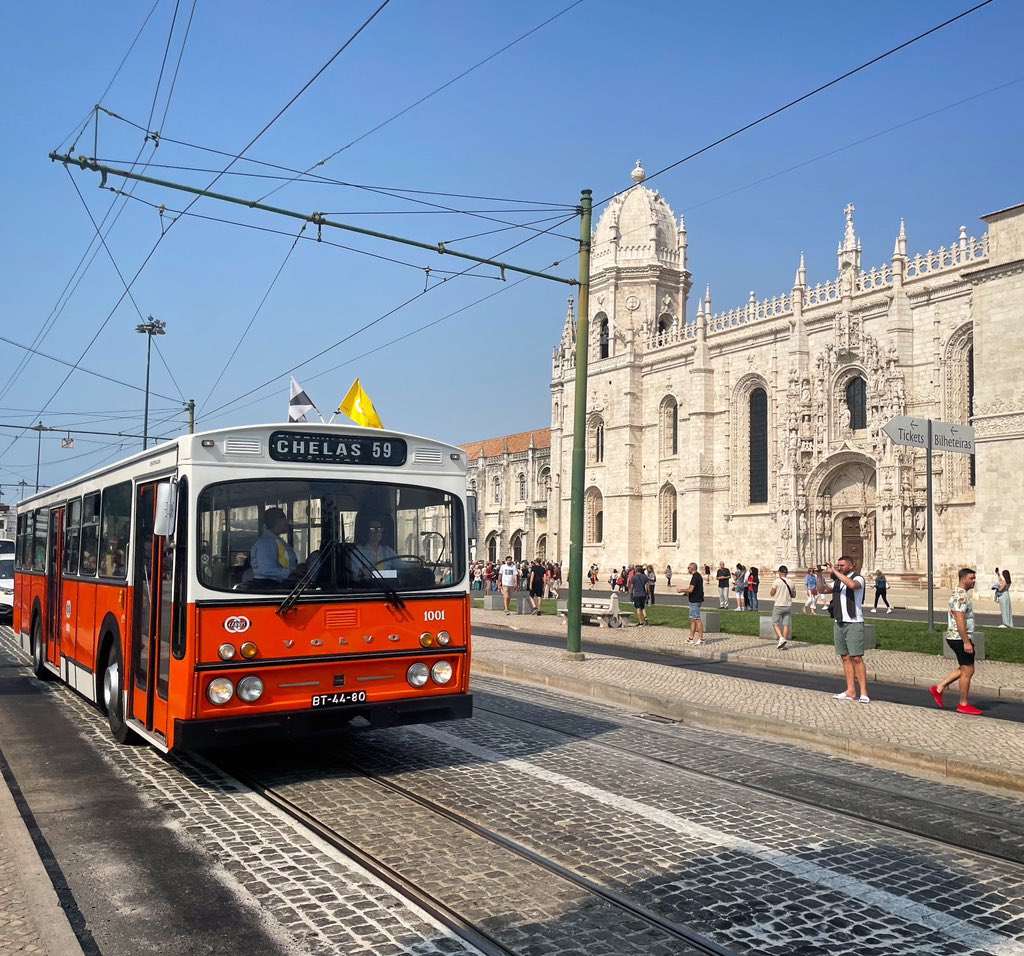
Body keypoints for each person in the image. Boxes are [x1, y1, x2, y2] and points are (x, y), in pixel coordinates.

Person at [929, 568, 983, 715]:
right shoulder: (960, 596)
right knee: (968, 669)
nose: (974, 581)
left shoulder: (960, 594)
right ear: (963, 579)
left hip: (958, 637)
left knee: (965, 668)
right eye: (971, 578)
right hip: (958, 638)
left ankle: (939, 688)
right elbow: (960, 619)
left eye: (974, 578)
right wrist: (966, 641)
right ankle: (963, 704)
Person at [818, 556, 869, 703]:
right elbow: (821, 589)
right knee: (845, 657)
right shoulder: (838, 582)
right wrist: (819, 575)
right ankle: (851, 690)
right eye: (838, 565)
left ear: (851, 566)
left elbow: (852, 585)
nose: (839, 567)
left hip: (854, 622)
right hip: (839, 621)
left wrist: (834, 571)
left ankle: (864, 692)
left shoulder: (859, 578)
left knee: (857, 657)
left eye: (842, 565)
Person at [250, 507, 301, 583]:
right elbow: (267, 569)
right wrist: (292, 572)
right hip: (267, 586)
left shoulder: (277, 540)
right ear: (276, 521)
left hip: (280, 584)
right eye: (284, 518)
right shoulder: (266, 543)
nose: (288, 522)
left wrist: (297, 568)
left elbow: (284, 562)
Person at [347, 514, 399, 581]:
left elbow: (402, 565)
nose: (376, 532)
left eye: (379, 529)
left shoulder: (388, 551)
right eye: (373, 529)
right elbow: (358, 573)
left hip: (388, 588)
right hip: (367, 589)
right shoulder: (357, 552)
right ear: (366, 532)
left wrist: (415, 566)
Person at [679, 561, 705, 644]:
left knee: (697, 619)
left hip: (695, 601)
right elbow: (692, 589)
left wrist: (681, 590)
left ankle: (701, 639)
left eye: (688, 568)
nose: (688, 569)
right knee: (693, 619)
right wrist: (687, 593)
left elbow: (691, 589)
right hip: (694, 600)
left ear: (692, 568)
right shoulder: (697, 576)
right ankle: (691, 638)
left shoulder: (695, 577)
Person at [770, 565, 795, 649]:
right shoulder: (791, 582)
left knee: (775, 623)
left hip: (778, 604)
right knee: (786, 625)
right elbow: (794, 595)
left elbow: (772, 593)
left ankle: (781, 638)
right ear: (787, 573)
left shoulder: (776, 581)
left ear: (780, 573)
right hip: (788, 605)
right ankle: (783, 643)